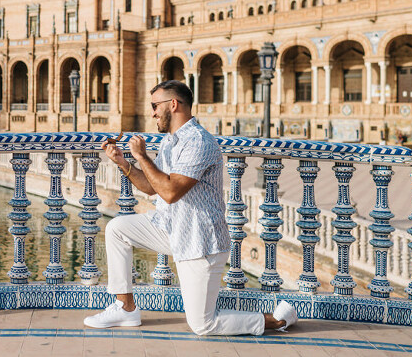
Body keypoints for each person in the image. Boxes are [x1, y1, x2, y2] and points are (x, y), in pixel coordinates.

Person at [84, 80, 297, 335]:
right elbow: (153, 187)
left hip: (200, 242)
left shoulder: (198, 141)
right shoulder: (169, 142)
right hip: (170, 229)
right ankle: (125, 307)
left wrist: (141, 156)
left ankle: (278, 320)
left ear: (173, 104)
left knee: (203, 325)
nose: (152, 112)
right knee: (117, 228)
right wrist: (123, 163)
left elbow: (171, 192)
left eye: (155, 106)